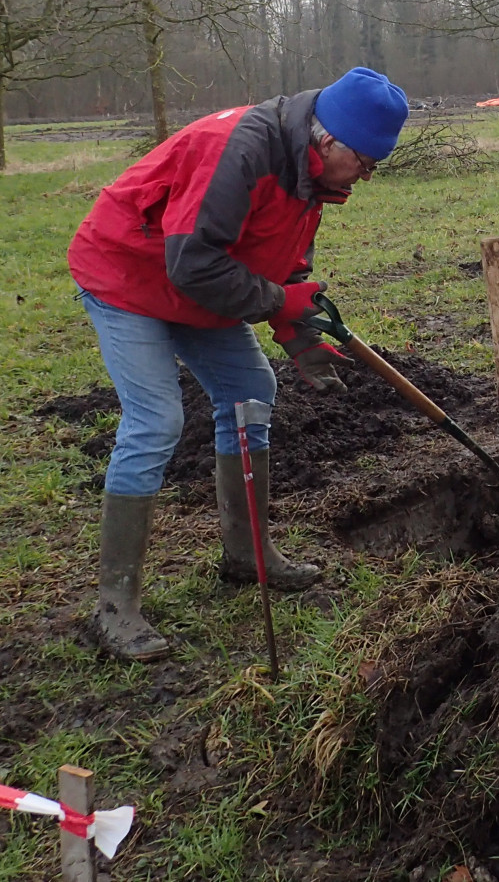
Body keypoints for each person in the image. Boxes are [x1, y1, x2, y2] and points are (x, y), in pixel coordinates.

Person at [68, 67, 409, 660]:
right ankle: (114, 607)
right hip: (128, 275)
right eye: (368, 162)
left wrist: (294, 322)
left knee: (251, 389)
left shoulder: (311, 173)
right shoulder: (240, 151)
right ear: (329, 141)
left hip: (196, 283)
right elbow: (194, 263)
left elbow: (284, 258)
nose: (368, 176)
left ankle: (245, 553)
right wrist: (274, 301)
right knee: (156, 422)